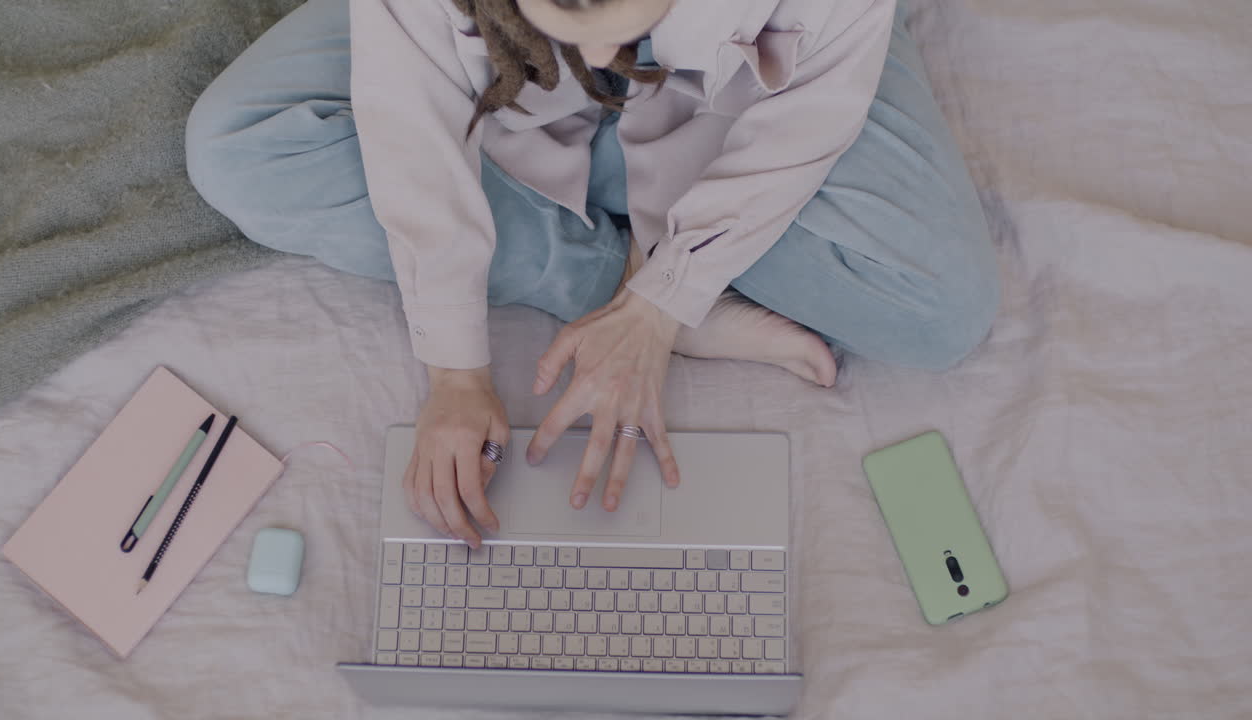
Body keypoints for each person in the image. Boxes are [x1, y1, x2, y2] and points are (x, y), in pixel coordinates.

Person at [185, 0, 999, 548]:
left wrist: (669, 294)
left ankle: (657, 264)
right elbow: (413, 114)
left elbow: (809, 113)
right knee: (239, 143)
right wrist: (457, 372)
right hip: (501, 63)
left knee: (941, 312)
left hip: (774, 50)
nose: (604, 58)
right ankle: (621, 273)